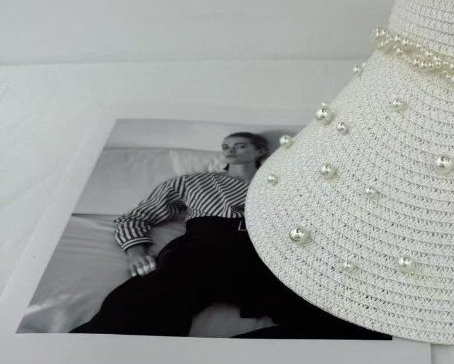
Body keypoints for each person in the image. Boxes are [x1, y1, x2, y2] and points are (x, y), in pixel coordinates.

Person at [71, 132, 387, 339]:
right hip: (205, 246)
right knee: (142, 306)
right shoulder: (193, 181)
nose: (230, 151)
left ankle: (241, 356)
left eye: (240, 146)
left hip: (269, 253)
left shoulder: (286, 183)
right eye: (225, 147)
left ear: (260, 150)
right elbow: (138, 217)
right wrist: (136, 252)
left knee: (344, 318)